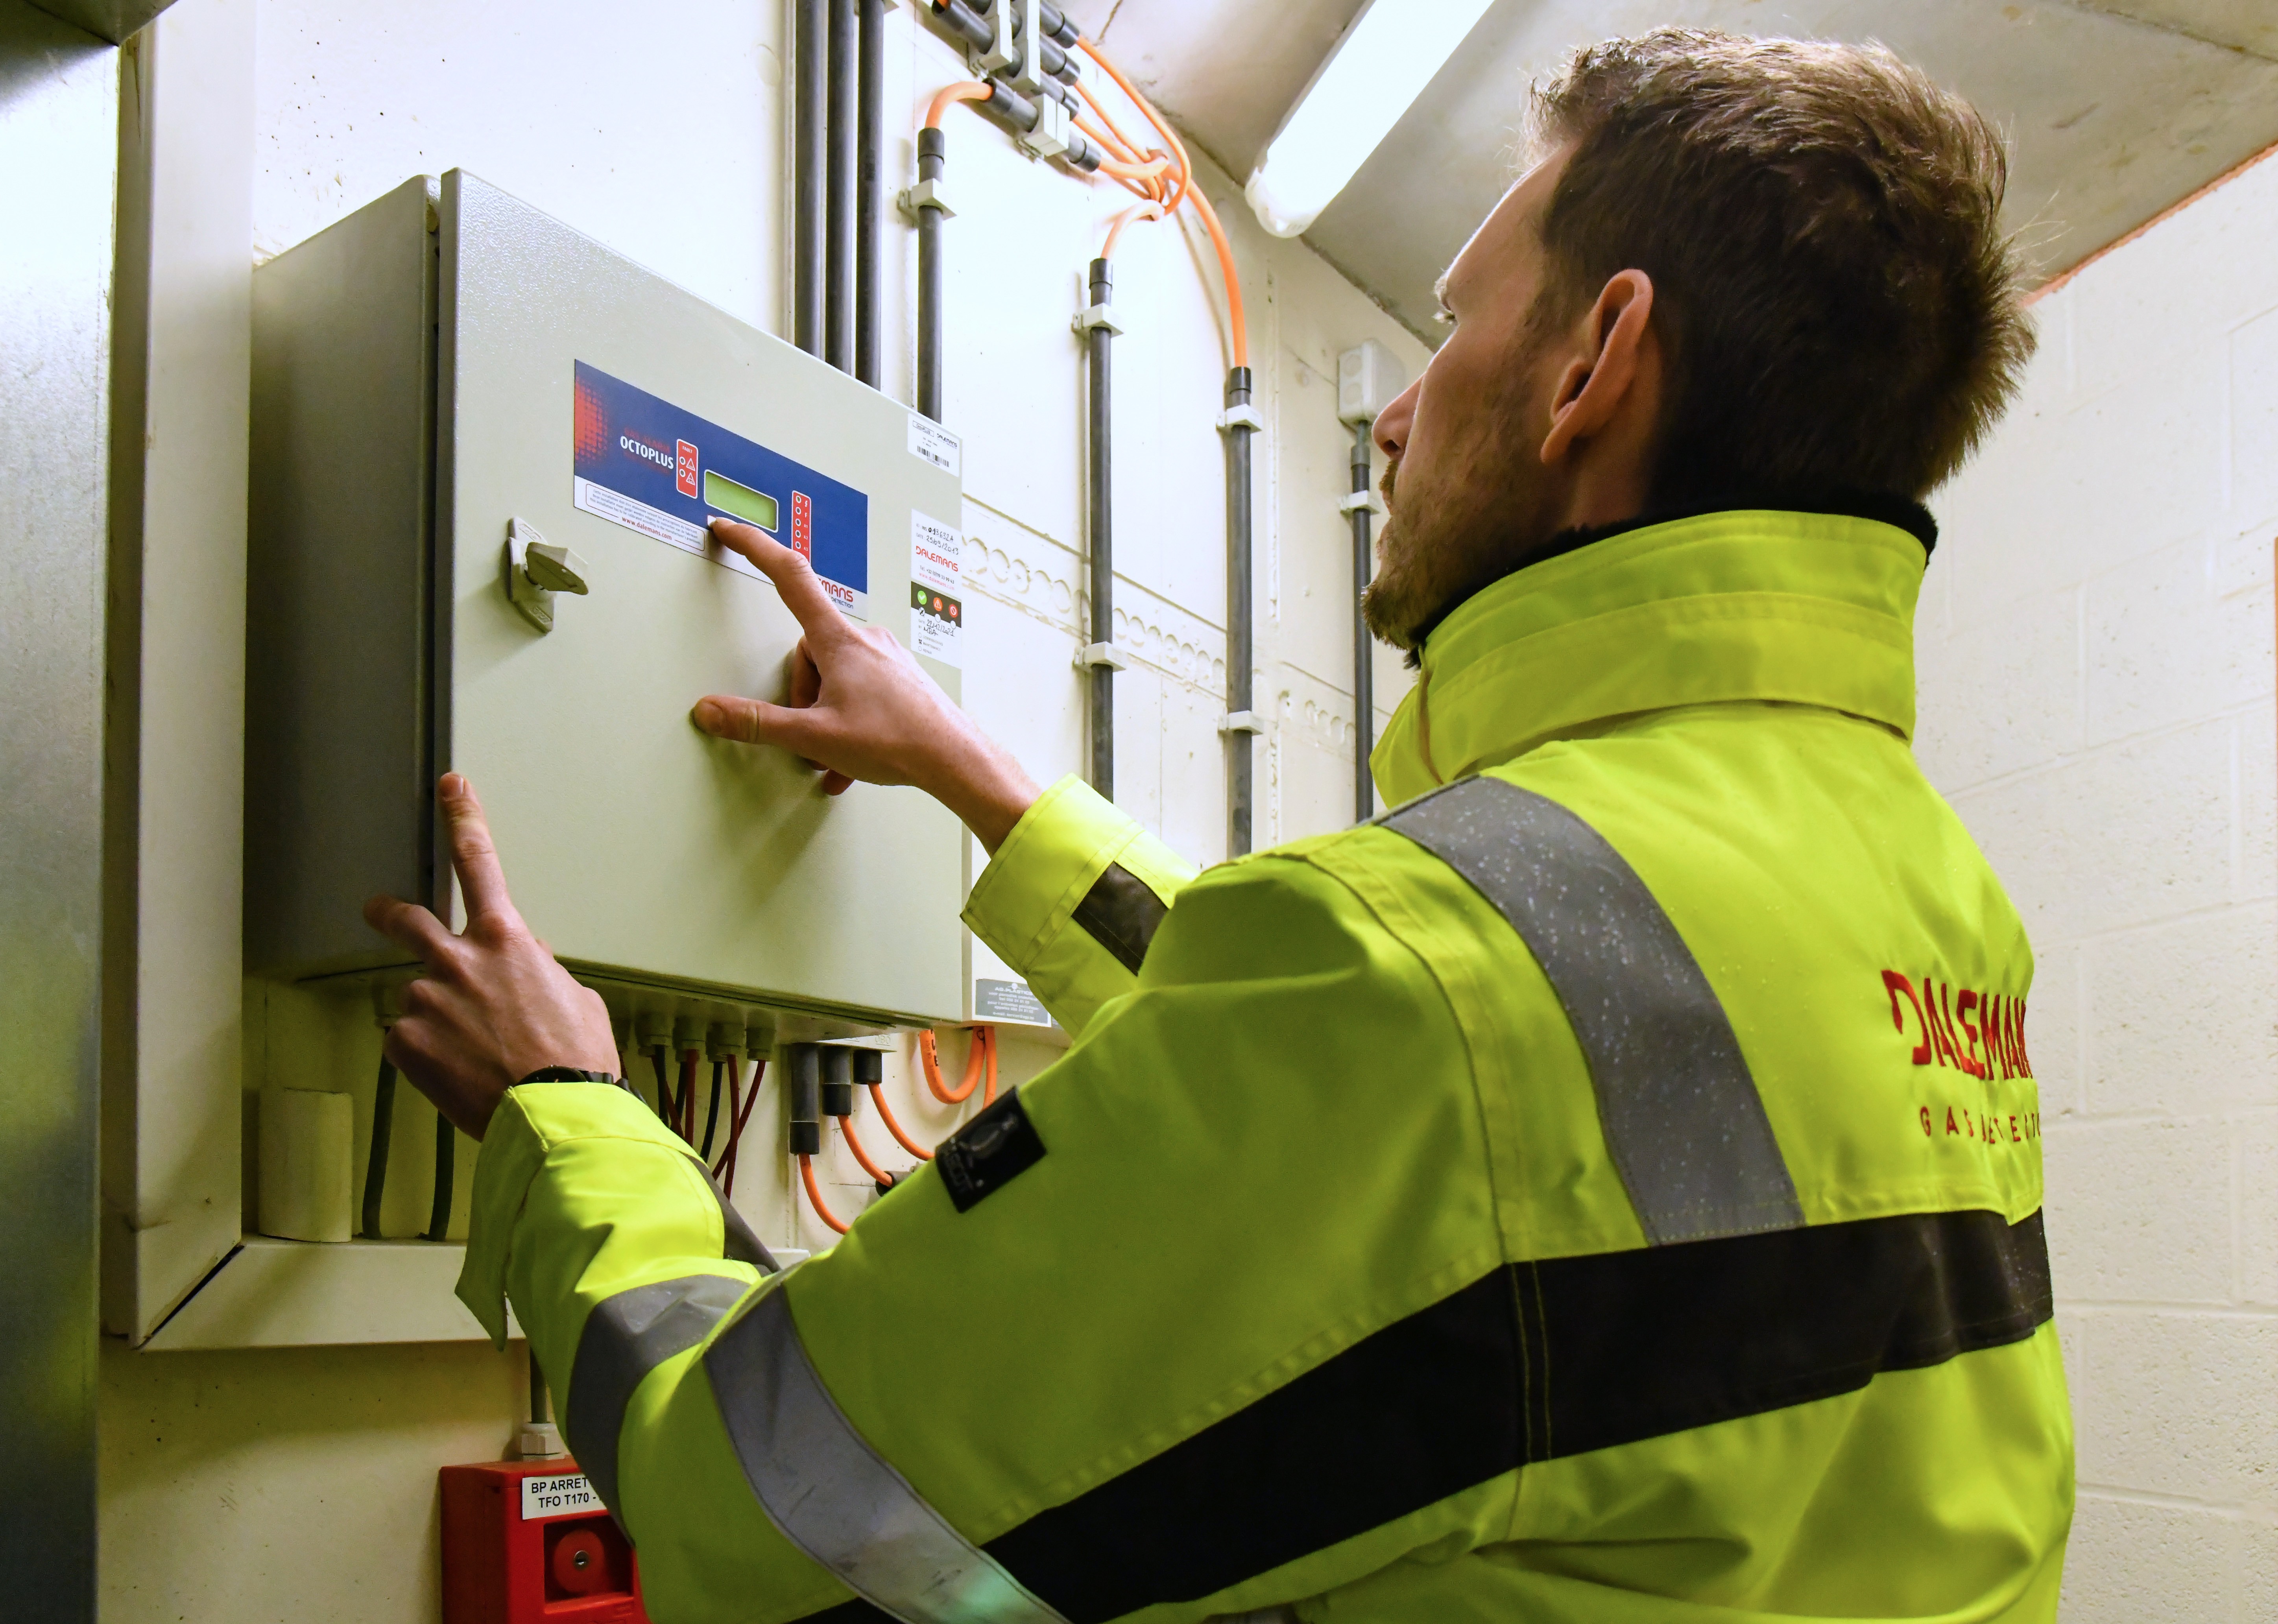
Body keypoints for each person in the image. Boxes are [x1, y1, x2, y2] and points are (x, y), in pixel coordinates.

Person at [371, 28, 2071, 1624]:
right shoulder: (1922, 888)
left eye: (1449, 329)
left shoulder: (1444, 967)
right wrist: (976, 780)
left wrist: (564, 1110)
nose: (1398, 414)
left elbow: (754, 1510)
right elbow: (1468, 1122)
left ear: (1595, 367)